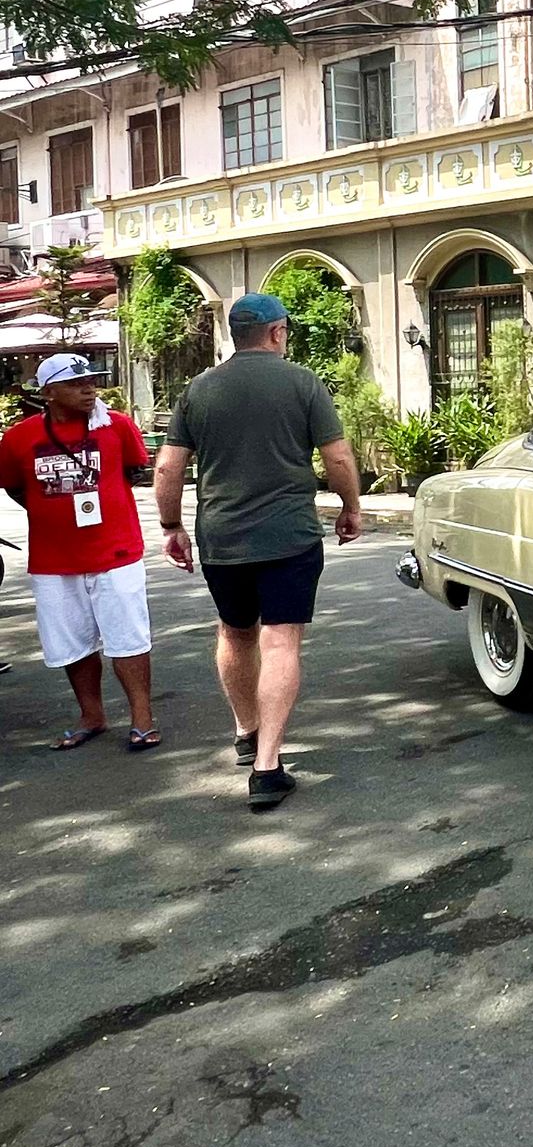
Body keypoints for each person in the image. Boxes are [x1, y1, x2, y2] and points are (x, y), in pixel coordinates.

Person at [153, 294, 362, 810]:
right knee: (281, 642)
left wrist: (172, 525)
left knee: (234, 631)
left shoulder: (198, 390)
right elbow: (336, 455)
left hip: (222, 538)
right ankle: (268, 765)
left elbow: (167, 469)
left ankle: (246, 730)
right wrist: (350, 506)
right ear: (276, 332)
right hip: (289, 536)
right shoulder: (302, 383)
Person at [0, 354, 158, 750]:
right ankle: (92, 716)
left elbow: (134, 471)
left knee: (129, 638)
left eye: (92, 381)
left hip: (116, 552)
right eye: (76, 383)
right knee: (71, 643)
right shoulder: (18, 438)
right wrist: (51, 511)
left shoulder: (117, 426)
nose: (89, 389)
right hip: (54, 561)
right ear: (48, 393)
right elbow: (15, 487)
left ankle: (142, 719)